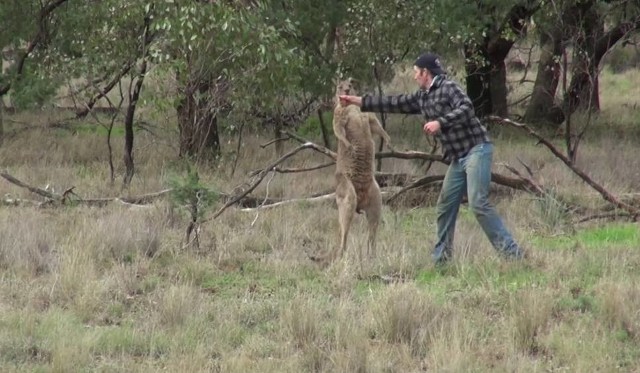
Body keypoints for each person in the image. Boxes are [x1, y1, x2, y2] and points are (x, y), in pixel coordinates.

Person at [339, 52, 525, 264]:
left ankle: (513, 255)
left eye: (416, 73)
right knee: (445, 206)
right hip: (458, 158)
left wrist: (440, 122)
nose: (414, 77)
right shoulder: (422, 96)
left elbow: (467, 109)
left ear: (426, 73)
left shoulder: (448, 88)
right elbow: (394, 102)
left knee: (478, 203)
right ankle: (442, 260)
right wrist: (356, 101)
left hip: (477, 150)